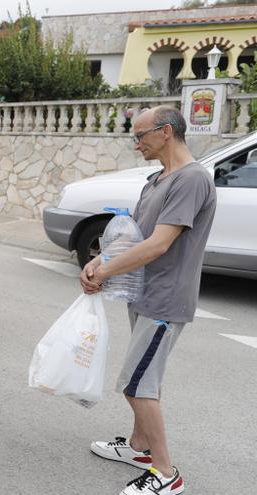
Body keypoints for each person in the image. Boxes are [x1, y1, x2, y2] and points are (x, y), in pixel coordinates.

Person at [81, 106, 215, 495]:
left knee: (136, 383)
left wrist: (105, 272)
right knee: (146, 378)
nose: (135, 143)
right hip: (144, 295)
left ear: (166, 131)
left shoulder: (191, 180)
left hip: (165, 301)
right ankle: (139, 448)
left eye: (140, 135)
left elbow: (159, 244)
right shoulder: (156, 180)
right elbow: (135, 238)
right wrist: (98, 262)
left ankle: (166, 473)